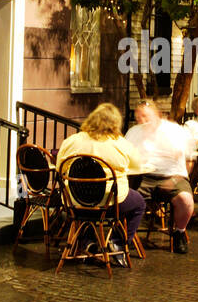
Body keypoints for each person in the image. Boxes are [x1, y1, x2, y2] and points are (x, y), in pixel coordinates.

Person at [56, 103, 145, 255]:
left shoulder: (72, 141)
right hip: (110, 204)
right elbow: (137, 166)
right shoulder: (120, 143)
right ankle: (118, 242)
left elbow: (60, 168)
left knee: (83, 213)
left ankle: (87, 241)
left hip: (76, 202)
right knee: (139, 204)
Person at [124, 100, 194, 254]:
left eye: (145, 116)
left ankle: (179, 232)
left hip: (172, 175)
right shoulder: (134, 132)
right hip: (142, 176)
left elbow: (189, 159)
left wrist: (178, 178)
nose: (142, 121)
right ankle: (124, 236)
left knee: (185, 199)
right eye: (139, 117)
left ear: (157, 114)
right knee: (124, 197)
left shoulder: (174, 131)